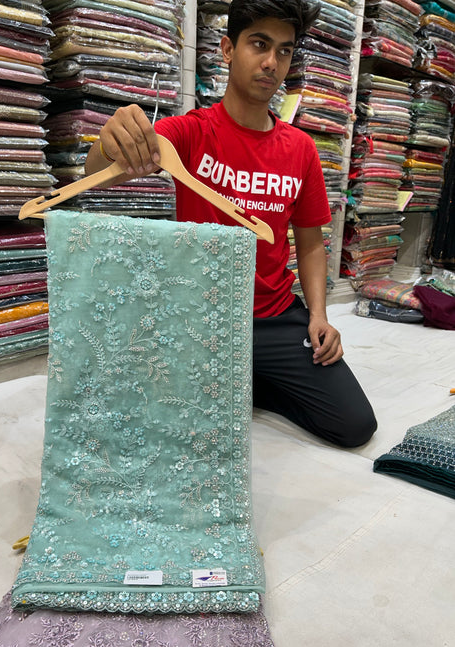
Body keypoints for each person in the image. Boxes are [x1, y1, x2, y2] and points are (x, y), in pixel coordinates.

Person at [85, 0, 377, 448]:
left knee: (354, 425)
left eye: (283, 51)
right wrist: (111, 140)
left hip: (277, 316)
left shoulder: (300, 150)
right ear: (226, 49)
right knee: (151, 423)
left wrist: (319, 315)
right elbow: (99, 173)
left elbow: (312, 243)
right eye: (259, 44)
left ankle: (244, 382)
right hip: (199, 321)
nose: (271, 63)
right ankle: (234, 381)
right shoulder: (190, 132)